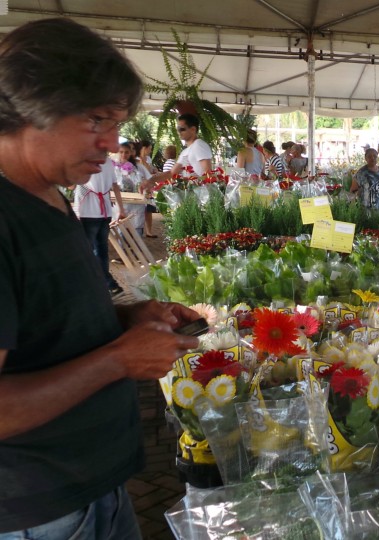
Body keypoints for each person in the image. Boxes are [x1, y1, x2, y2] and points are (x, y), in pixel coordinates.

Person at [0, 18, 202, 538]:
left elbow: (38, 325)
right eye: (96, 119)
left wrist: (125, 320)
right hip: (40, 513)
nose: (113, 144)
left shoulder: (45, 192)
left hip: (91, 492)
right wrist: (117, 360)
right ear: (30, 106)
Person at [74, 161, 126, 294]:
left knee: (88, 251)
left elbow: (71, 185)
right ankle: (107, 285)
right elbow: (115, 186)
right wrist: (121, 209)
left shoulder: (85, 160)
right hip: (105, 212)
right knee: (101, 251)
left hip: (88, 212)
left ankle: (105, 284)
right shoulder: (108, 162)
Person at [144, 113, 212, 191]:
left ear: (193, 129)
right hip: (192, 195)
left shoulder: (199, 145)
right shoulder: (185, 152)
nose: (179, 132)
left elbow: (208, 173)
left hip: (202, 195)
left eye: (182, 129)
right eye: (178, 129)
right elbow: (171, 173)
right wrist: (150, 181)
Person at [116, 141, 147, 237]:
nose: (124, 154)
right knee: (122, 233)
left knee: (137, 232)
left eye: (126, 152)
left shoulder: (138, 167)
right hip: (121, 203)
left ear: (131, 153)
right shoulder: (115, 167)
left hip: (136, 204)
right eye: (121, 152)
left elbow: (148, 180)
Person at [136, 141, 159, 237]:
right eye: (149, 148)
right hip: (141, 186)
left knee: (149, 209)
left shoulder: (148, 158)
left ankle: (149, 231)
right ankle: (138, 231)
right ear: (143, 148)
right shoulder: (137, 159)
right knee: (140, 209)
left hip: (149, 186)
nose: (150, 150)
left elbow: (151, 170)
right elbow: (144, 170)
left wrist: (154, 170)